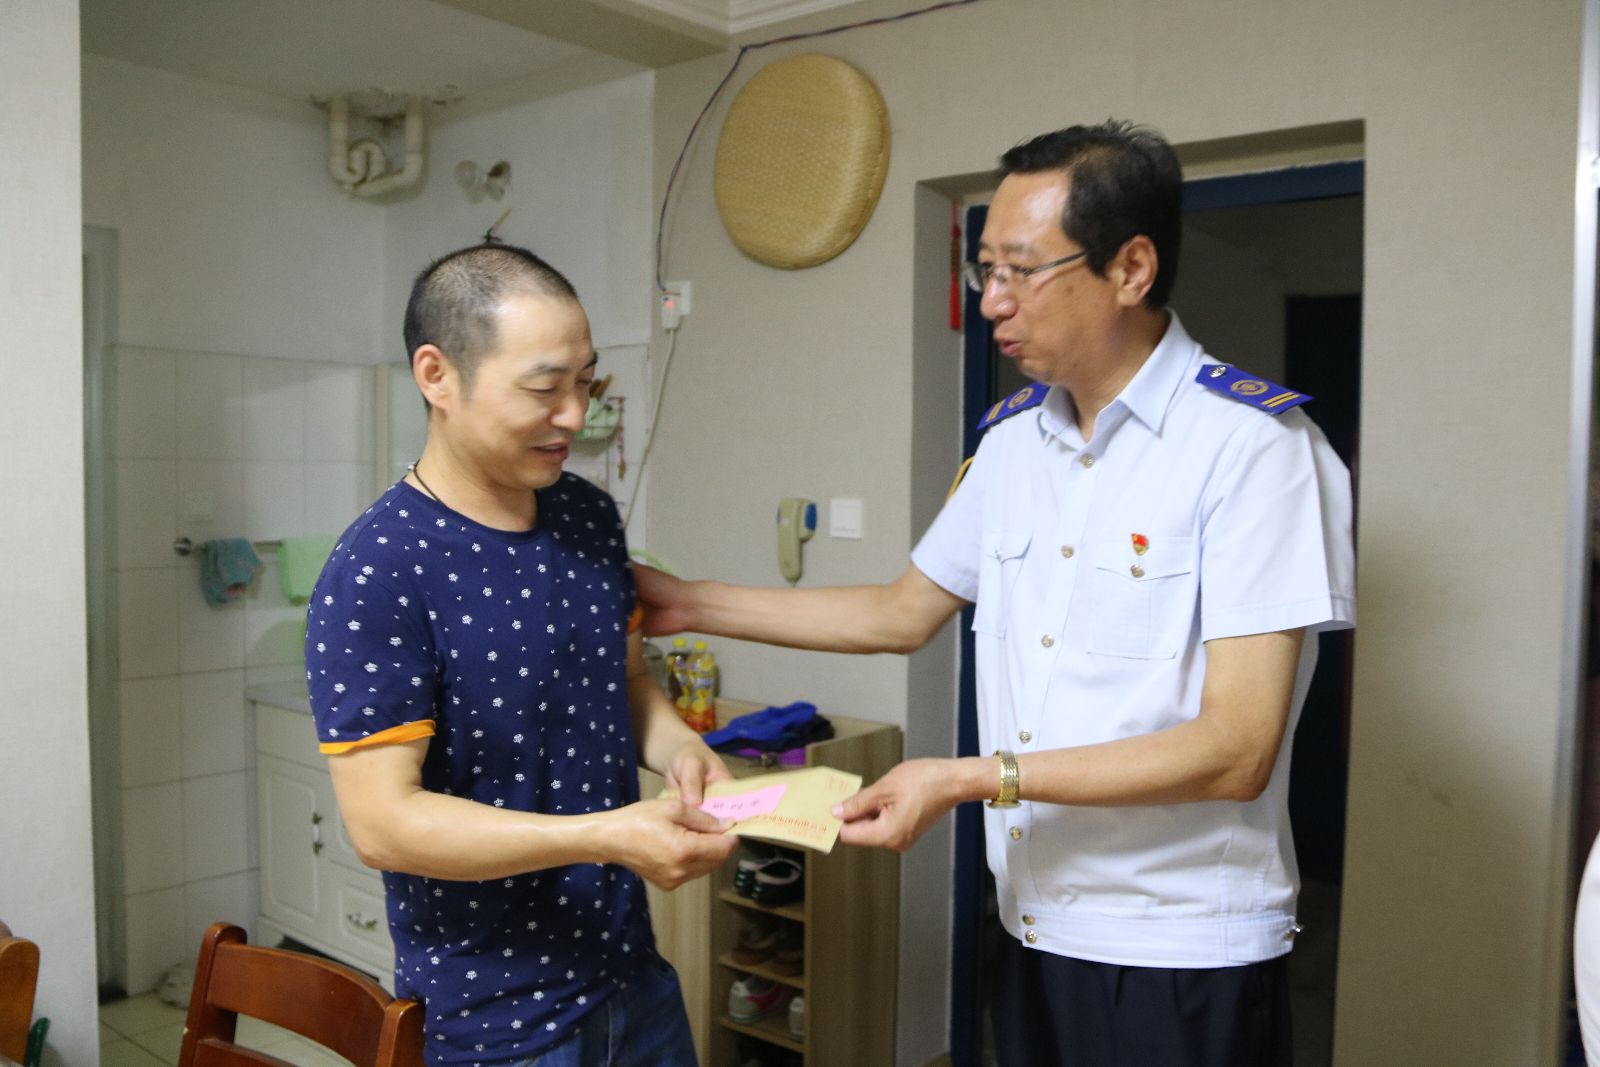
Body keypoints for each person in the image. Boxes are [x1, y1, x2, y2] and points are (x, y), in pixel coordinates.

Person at [637, 121, 1355, 1065]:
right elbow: (901, 612)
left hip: (1179, 944)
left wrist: (970, 777)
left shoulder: (1254, 448)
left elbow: (1237, 750)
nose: (992, 302)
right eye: (985, 271)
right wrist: (686, 602)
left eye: (1020, 270)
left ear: (1131, 267)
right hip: (1033, 921)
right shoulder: (1014, 441)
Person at [305, 243, 737, 1067]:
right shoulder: (380, 567)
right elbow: (384, 824)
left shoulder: (586, 515)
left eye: (586, 382)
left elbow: (626, 679)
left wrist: (681, 747)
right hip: (496, 1018)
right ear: (437, 375)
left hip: (633, 977)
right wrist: (608, 834)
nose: (574, 414)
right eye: (544, 388)